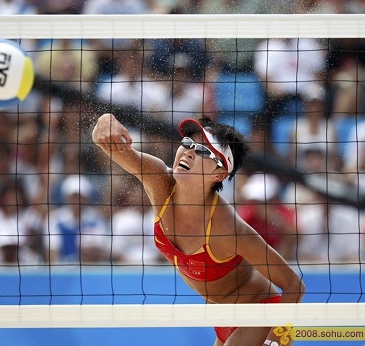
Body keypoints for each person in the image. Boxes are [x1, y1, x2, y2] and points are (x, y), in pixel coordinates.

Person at [92, 113, 305, 346]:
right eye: (188, 143)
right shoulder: (159, 181)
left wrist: (274, 340)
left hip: (259, 316)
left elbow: (294, 284)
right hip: (222, 318)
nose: (189, 151)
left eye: (203, 151)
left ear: (219, 174)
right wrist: (105, 120)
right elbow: (110, 146)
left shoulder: (228, 229)